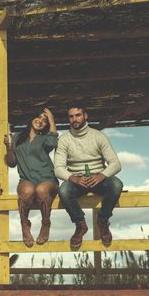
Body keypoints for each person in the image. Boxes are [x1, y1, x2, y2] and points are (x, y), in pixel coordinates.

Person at [55, 105, 122, 249]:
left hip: (99, 178)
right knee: (64, 191)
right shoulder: (64, 139)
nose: (75, 119)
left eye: (78, 115)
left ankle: (102, 221)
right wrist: (74, 178)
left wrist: (102, 175)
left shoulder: (98, 136)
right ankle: (80, 225)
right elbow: (58, 168)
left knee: (116, 185)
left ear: (86, 116)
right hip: (77, 180)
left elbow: (116, 164)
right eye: (71, 116)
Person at [4, 108, 58, 247]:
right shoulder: (17, 137)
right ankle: (24, 225)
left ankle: (45, 223)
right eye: (39, 117)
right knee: (27, 191)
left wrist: (51, 119)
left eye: (45, 121)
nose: (41, 121)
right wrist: (9, 148)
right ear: (32, 117)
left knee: (41, 190)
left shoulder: (45, 138)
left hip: (47, 179)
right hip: (26, 179)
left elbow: (52, 143)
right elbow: (11, 163)